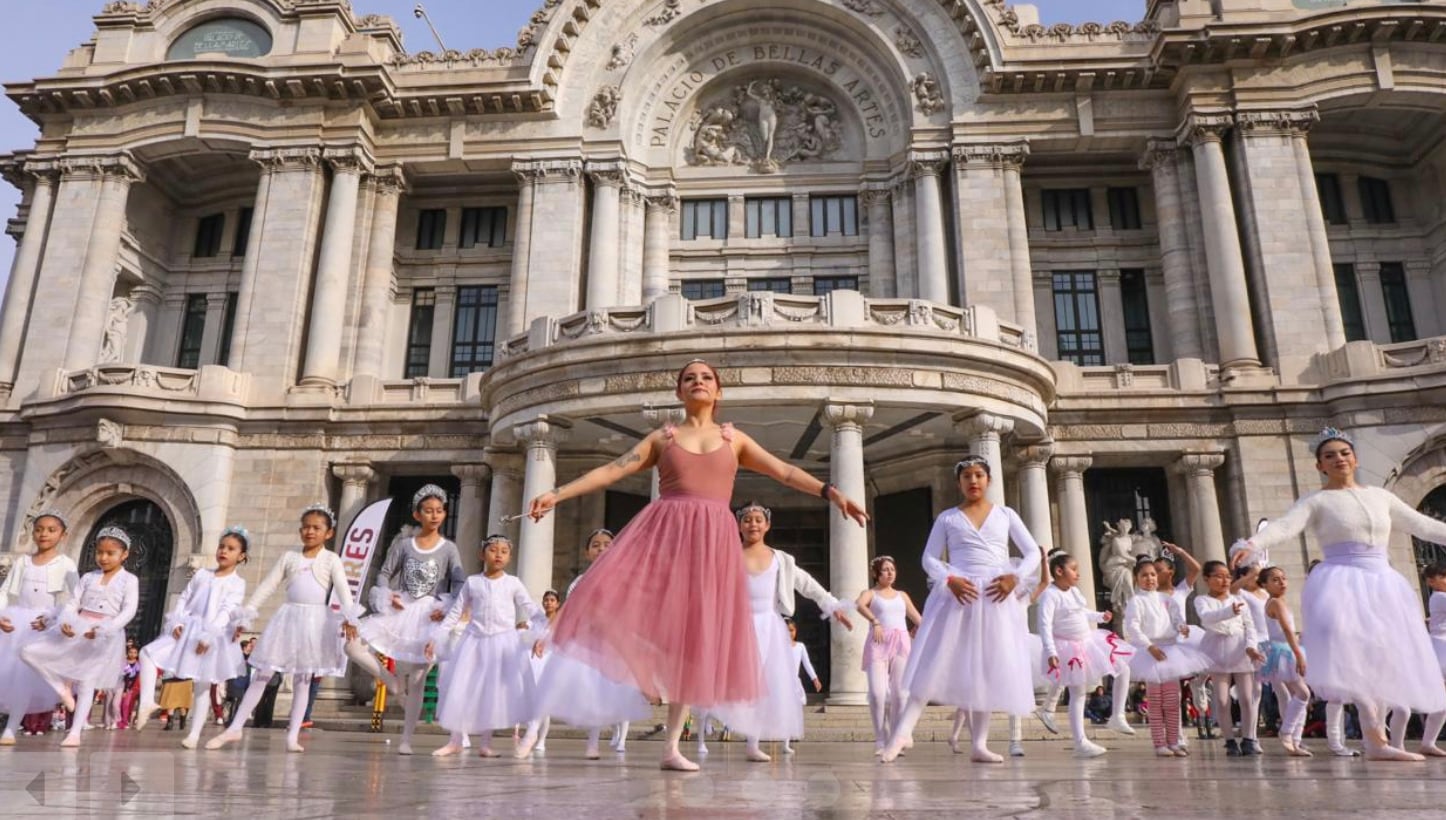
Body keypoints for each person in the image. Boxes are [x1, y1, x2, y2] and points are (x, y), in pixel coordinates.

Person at [523, 359, 868, 771]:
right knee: (609, 595)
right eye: (689, 378)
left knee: (692, 637)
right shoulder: (662, 438)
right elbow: (611, 470)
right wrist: (556, 494)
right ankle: (642, 672)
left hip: (712, 543)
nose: (698, 382)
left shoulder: (733, 438)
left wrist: (831, 492)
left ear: (718, 391)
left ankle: (671, 747)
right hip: (665, 533)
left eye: (706, 378)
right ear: (679, 392)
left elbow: (785, 471)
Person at [1236, 427, 1446, 761]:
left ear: (1355, 458)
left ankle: (1379, 740)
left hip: (1382, 580)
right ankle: (1375, 739)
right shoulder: (1317, 500)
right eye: (1329, 455)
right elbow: (1286, 526)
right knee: (1355, 654)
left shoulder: (1381, 496)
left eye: (1344, 453)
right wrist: (1254, 543)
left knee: (1384, 656)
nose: (1339, 459)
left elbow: (1423, 525)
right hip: (1340, 581)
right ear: (1320, 465)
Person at [881, 455, 1042, 764]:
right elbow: (929, 558)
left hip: (995, 597)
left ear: (988, 480)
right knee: (933, 662)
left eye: (979, 475)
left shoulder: (1005, 515)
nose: (973, 481)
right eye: (966, 476)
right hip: (959, 595)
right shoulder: (948, 518)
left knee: (985, 668)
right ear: (959, 482)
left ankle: (979, 744)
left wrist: (1015, 576)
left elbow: (1033, 551)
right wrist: (949, 578)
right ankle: (901, 733)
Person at [206, 505, 362, 753]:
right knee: (263, 674)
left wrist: (350, 617)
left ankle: (293, 734)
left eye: (316, 528)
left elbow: (344, 591)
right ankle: (235, 727)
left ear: (328, 533)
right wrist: (246, 616)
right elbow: (267, 586)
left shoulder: (331, 559)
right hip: (288, 618)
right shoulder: (290, 558)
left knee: (303, 678)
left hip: (314, 622)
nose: (310, 532)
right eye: (306, 527)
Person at [712, 502, 854, 762]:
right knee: (740, 681)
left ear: (767, 525)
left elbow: (807, 584)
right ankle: (733, 727)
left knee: (763, 683)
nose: (752, 524)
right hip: (738, 625)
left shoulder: (781, 560)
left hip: (769, 625)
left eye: (758, 519)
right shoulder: (728, 555)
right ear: (739, 525)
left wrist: (831, 605)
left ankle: (753, 743)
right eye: (747, 520)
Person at [344, 485, 465, 756]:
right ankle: (391, 681)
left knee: (419, 679)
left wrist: (446, 607)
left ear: (445, 513)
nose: (434, 516)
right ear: (417, 514)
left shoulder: (449, 549)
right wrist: (389, 596)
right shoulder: (403, 545)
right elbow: (385, 573)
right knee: (352, 646)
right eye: (428, 511)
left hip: (429, 614)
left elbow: (459, 583)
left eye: (439, 511)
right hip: (402, 608)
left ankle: (406, 738)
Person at [524, 528, 650, 759]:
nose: (601, 549)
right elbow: (567, 611)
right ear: (586, 552)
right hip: (582, 644)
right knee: (553, 684)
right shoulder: (581, 581)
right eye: (595, 545)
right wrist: (547, 637)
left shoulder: (622, 580)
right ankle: (532, 732)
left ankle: (593, 744)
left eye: (607, 544)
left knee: (598, 694)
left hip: (609, 646)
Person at [426, 535, 546, 758]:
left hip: (503, 642)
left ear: (509, 556)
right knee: (462, 688)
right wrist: (437, 637)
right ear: (482, 554)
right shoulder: (473, 582)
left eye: (504, 551)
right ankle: (455, 740)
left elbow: (531, 609)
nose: (498, 554)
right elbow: (455, 612)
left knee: (493, 692)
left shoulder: (513, 583)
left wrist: (542, 631)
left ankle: (486, 743)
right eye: (493, 550)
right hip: (474, 641)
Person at [20, 526, 138, 748]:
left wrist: (105, 629)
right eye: (99, 552)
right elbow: (74, 602)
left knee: (87, 683)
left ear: (124, 555)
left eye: (110, 553)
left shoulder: (129, 580)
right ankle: (60, 688)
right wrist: (66, 620)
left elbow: (128, 611)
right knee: (29, 652)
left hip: (103, 633)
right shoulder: (89, 577)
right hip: (79, 625)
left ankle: (74, 732)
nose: (103, 558)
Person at [132, 527, 249, 747]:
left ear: (241, 556)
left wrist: (208, 637)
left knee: (203, 685)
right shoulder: (203, 574)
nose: (224, 551)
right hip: (188, 629)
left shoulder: (236, 583)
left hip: (212, 634)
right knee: (147, 653)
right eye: (221, 546)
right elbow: (185, 597)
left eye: (231, 549)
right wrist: (177, 620)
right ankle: (147, 701)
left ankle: (194, 735)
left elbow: (227, 610)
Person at [1038, 552, 1136, 758]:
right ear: (1058, 571)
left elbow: (1081, 612)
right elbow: (1044, 625)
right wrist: (1051, 651)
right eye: (1073, 570)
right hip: (1068, 648)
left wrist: (1100, 616)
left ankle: (1117, 715)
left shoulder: (1072, 591)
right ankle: (1080, 741)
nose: (1078, 574)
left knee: (1123, 668)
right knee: (1078, 692)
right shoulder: (1050, 595)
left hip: (1088, 641)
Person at [0, 511, 79, 745]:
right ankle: (10, 728)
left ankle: (12, 728)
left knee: (27, 674)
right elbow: (5, 591)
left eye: (51, 530)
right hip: (17, 622)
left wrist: (53, 617)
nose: (44, 534)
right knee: (13, 676)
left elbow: (76, 597)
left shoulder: (66, 564)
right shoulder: (23, 562)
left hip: (44, 624)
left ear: (63, 535)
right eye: (39, 529)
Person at [1125, 559, 1210, 757]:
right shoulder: (1136, 601)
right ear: (1136, 579)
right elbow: (1133, 627)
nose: (1150, 579)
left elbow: (1176, 617)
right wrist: (1149, 646)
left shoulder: (1166, 598)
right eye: (1144, 575)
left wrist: (1182, 627)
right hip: (1150, 651)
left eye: (1153, 574)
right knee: (1155, 701)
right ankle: (1159, 743)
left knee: (1173, 700)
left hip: (1170, 650)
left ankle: (1174, 741)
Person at [1195, 559, 1265, 757]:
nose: (1224, 580)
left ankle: (1249, 737)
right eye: (1218, 576)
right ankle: (1230, 740)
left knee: (1246, 697)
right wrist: (1228, 611)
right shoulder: (1201, 600)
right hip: (1217, 648)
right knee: (1222, 699)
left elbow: (1250, 626)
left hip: (1240, 647)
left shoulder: (1238, 599)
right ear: (1207, 579)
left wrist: (1251, 647)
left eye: (1227, 576)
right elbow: (1207, 618)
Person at [855, 555, 921, 754]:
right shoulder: (870, 593)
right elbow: (859, 605)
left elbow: (918, 618)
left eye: (892, 569)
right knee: (877, 693)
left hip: (901, 644)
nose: (890, 573)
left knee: (900, 694)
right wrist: (875, 621)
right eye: (885, 569)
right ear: (876, 573)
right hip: (878, 642)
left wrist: (918, 630)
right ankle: (880, 739)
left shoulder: (902, 595)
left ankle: (895, 739)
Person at [1255, 567, 1313, 757]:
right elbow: (1287, 630)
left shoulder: (1281, 602)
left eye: (1283, 578)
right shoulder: (1274, 603)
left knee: (1301, 695)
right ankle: (1287, 732)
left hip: (1286, 649)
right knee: (1303, 693)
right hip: (1284, 651)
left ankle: (1295, 740)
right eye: (1275, 580)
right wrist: (1298, 653)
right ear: (1264, 585)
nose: (1282, 583)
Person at [521, 589, 561, 755]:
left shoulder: (560, 621)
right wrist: (522, 625)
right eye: (546, 600)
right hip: (535, 661)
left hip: (550, 660)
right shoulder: (537, 619)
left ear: (557, 603)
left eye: (552, 600)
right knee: (535, 699)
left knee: (545, 701)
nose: (548, 603)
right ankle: (532, 733)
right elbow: (526, 627)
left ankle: (541, 739)